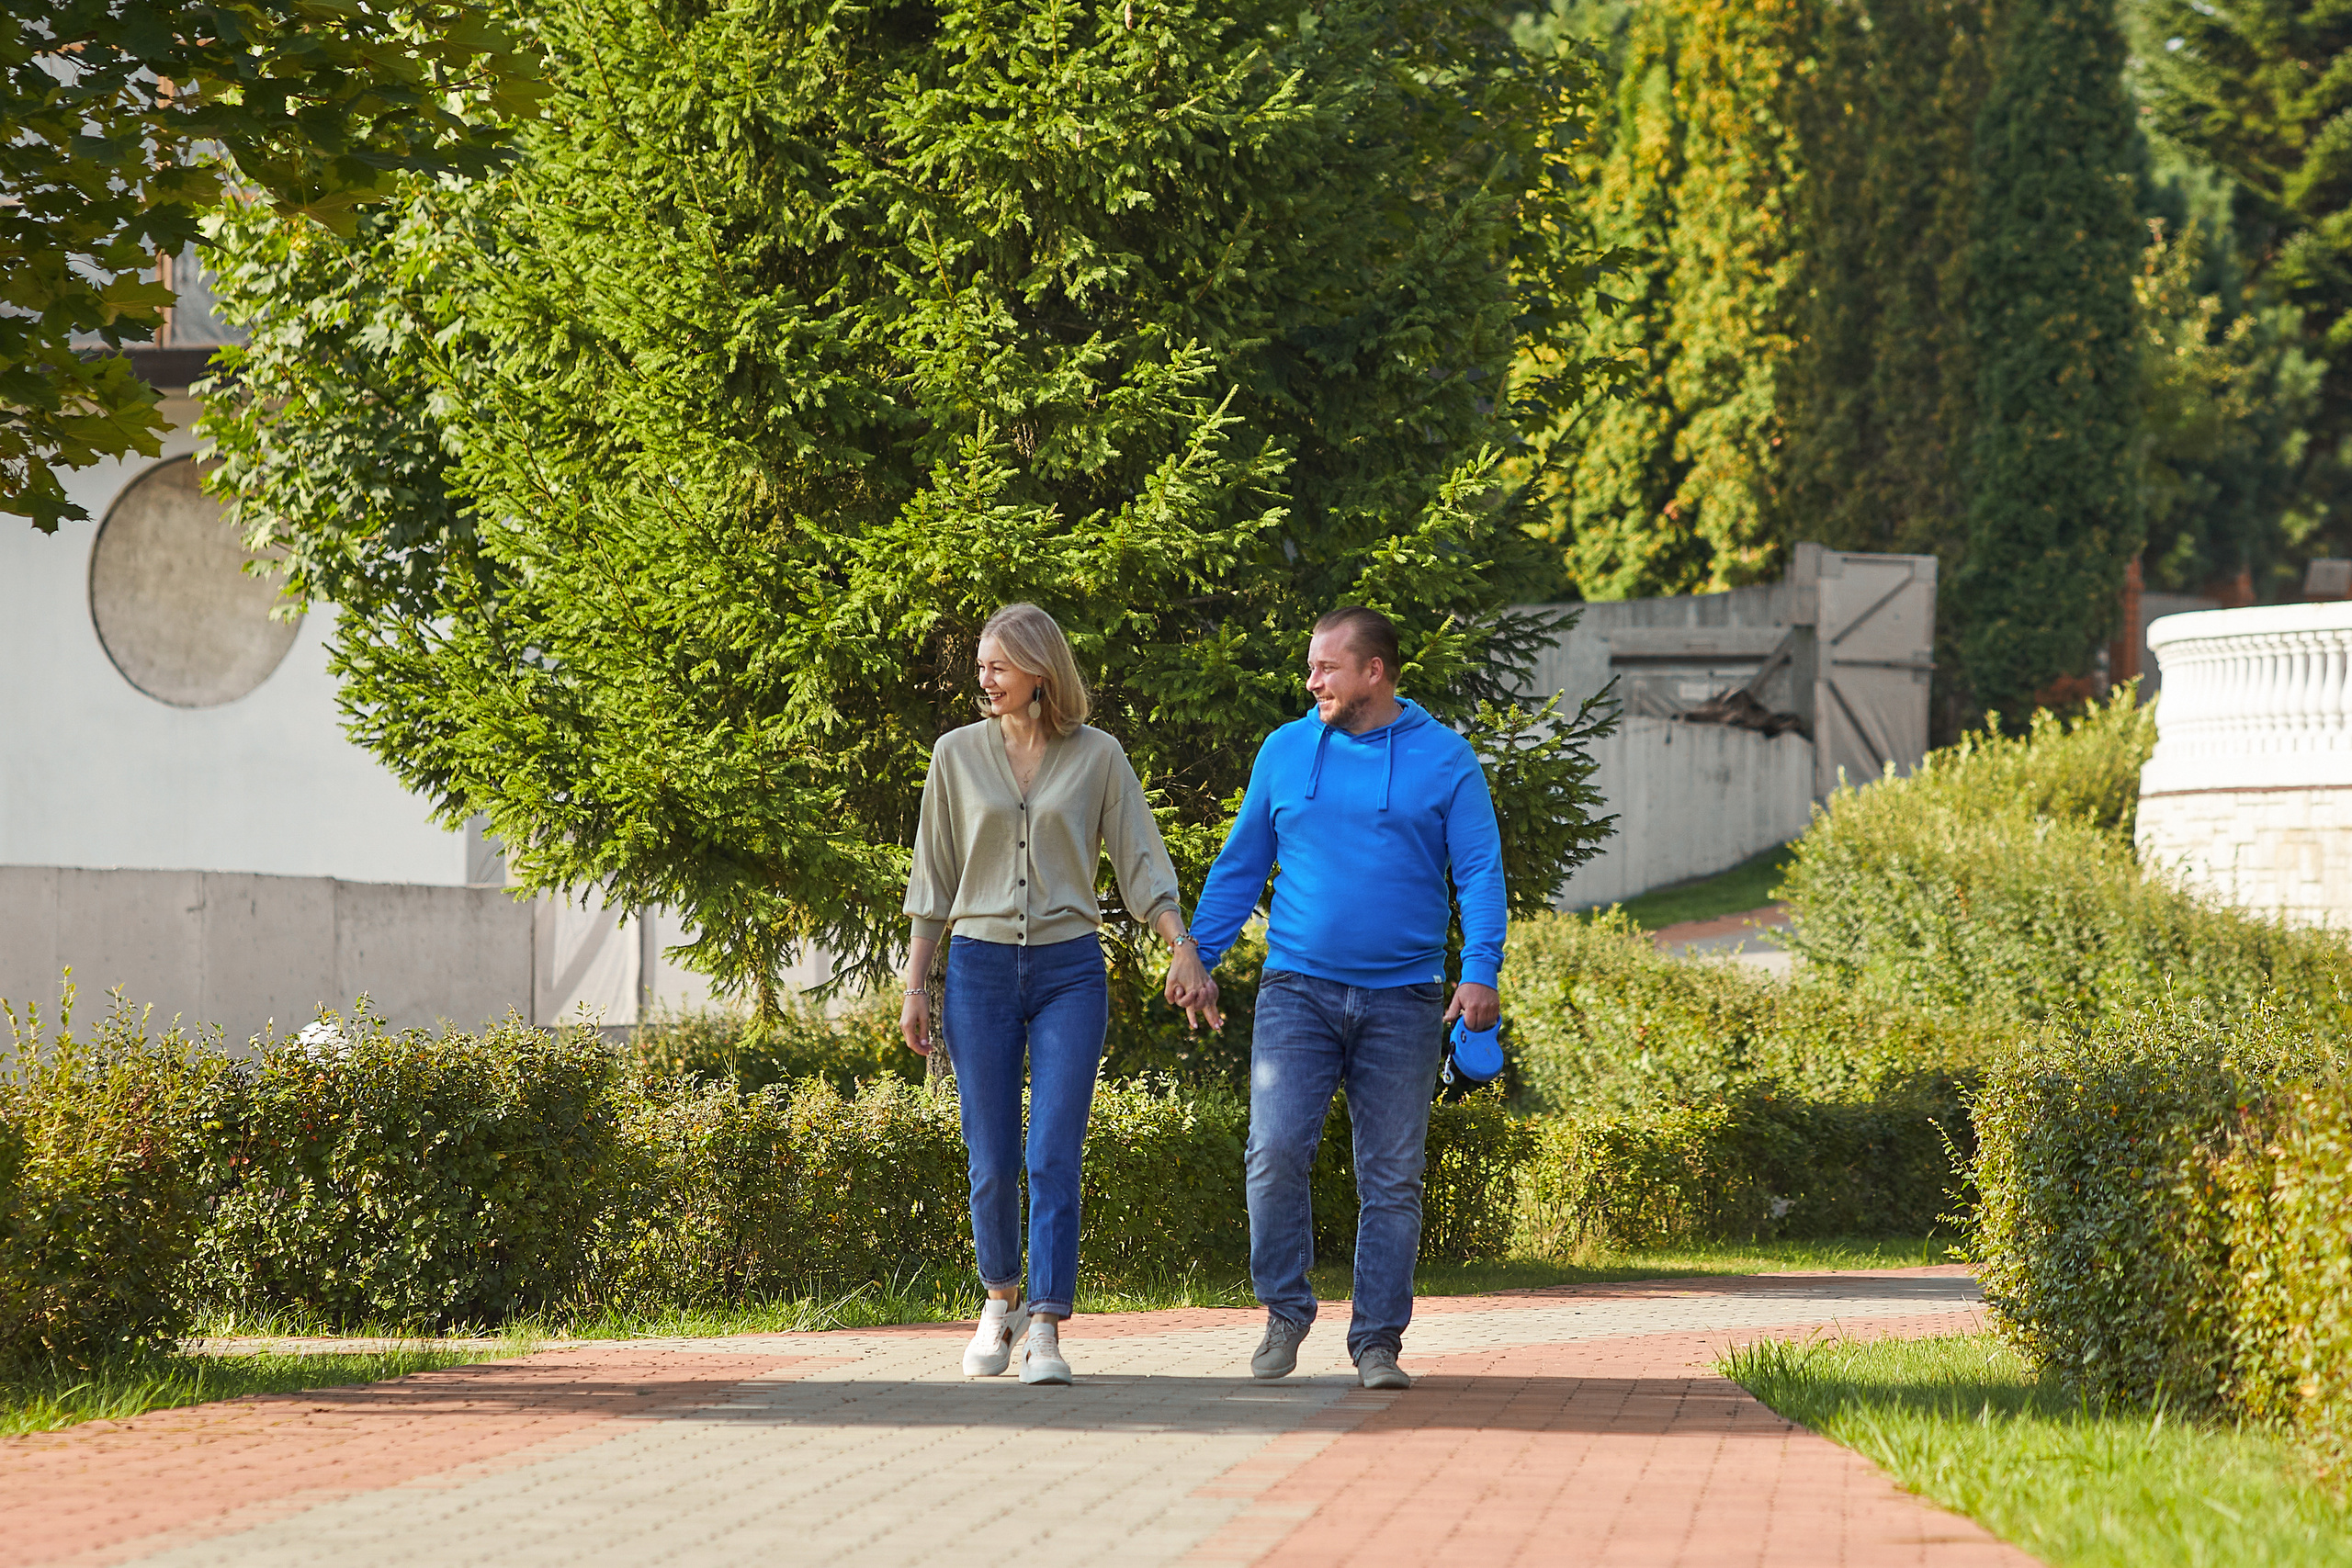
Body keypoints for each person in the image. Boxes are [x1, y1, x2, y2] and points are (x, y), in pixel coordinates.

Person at [1187, 605, 1505, 1391]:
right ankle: (1286, 1311)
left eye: (1327, 665)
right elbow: (1240, 865)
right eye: (1310, 665)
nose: (1311, 679)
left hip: (1405, 999)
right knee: (1273, 1153)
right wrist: (1198, 954)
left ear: (1375, 670)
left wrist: (1481, 969)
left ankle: (1377, 1342)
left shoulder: (1444, 759)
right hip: (1298, 987)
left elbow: (1480, 872)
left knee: (1392, 1176)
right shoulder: (1287, 750)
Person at [901, 603, 1217, 1385]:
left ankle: (1045, 1323)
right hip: (976, 969)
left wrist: (1180, 943)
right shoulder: (954, 755)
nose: (985, 678)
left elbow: (1142, 861)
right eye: (981, 665)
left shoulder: (1099, 757)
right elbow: (931, 877)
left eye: (999, 665)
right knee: (990, 1152)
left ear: (1040, 671)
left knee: (1052, 1151)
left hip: (1070, 968)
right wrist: (916, 983)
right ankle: (999, 1300)